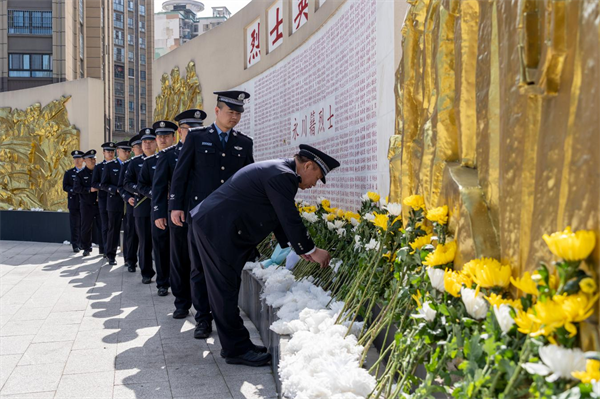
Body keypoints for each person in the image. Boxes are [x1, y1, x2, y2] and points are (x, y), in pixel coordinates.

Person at [190, 144, 339, 367]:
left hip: (214, 226)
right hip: (217, 229)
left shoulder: (280, 171)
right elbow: (288, 216)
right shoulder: (283, 176)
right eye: (317, 177)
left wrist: (298, 249)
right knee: (224, 290)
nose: (314, 184)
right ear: (308, 165)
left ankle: (237, 344)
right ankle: (236, 349)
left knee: (226, 288)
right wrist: (311, 250)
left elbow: (277, 215)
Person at [169, 91, 254, 339]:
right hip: (200, 216)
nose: (235, 117)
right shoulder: (196, 137)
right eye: (231, 112)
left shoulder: (244, 142)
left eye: (238, 113)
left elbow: (248, 180)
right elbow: (181, 175)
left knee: (230, 267)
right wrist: (176, 207)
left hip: (230, 218)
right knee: (198, 269)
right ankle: (203, 319)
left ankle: (227, 315)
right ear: (217, 111)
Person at [153, 109, 206, 319]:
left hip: (202, 214)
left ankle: (202, 304)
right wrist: (159, 213)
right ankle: (182, 302)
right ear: (180, 132)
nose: (192, 132)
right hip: (178, 214)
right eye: (188, 129)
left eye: (197, 128)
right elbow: (158, 187)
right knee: (180, 259)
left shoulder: (207, 151)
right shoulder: (169, 154)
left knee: (201, 260)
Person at [137, 121, 177, 296]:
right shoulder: (150, 162)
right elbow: (141, 186)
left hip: (178, 210)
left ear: (173, 138)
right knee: (160, 247)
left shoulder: (181, 156)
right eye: (159, 137)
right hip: (159, 209)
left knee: (178, 248)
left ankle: (178, 282)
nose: (162, 140)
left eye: (166, 136)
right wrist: (156, 193)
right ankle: (162, 282)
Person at [123, 129, 157, 284]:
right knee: (144, 242)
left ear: (156, 142)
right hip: (142, 206)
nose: (148, 145)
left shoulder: (161, 159)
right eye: (145, 142)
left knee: (161, 242)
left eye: (150, 141)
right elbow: (126, 183)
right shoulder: (134, 163)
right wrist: (142, 191)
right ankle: (146, 272)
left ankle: (164, 275)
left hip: (160, 207)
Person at [101, 141, 131, 266]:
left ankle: (128, 258)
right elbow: (103, 184)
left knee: (129, 231)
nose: (127, 153)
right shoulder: (110, 165)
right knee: (113, 230)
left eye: (129, 151)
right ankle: (111, 255)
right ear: (118, 151)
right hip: (114, 202)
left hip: (128, 202)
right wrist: (115, 190)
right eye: (124, 151)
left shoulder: (131, 164)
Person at [118, 134, 142, 272]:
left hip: (148, 203)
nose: (140, 149)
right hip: (133, 204)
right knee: (131, 234)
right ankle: (130, 260)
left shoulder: (152, 161)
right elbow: (121, 186)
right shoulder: (128, 165)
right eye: (137, 147)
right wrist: (127, 198)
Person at [73, 149, 101, 257]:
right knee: (86, 227)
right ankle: (86, 248)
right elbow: (76, 188)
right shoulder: (80, 174)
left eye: (94, 159)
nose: (93, 161)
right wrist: (89, 189)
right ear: (84, 160)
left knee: (102, 226)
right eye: (90, 159)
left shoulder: (99, 171)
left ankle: (103, 249)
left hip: (99, 204)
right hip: (86, 204)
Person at [91, 142, 116, 257]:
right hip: (103, 199)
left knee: (113, 226)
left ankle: (111, 248)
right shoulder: (99, 167)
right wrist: (105, 186)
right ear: (103, 153)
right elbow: (94, 183)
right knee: (105, 226)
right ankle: (105, 249)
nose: (110, 154)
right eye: (108, 152)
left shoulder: (118, 165)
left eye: (112, 151)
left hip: (116, 200)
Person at [63, 150, 84, 253]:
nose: (76, 161)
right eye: (75, 159)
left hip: (84, 201)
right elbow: (65, 186)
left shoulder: (86, 172)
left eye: (78, 158)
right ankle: (75, 244)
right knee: (74, 224)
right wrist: (73, 190)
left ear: (83, 160)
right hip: (74, 202)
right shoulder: (69, 173)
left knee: (83, 224)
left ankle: (82, 243)